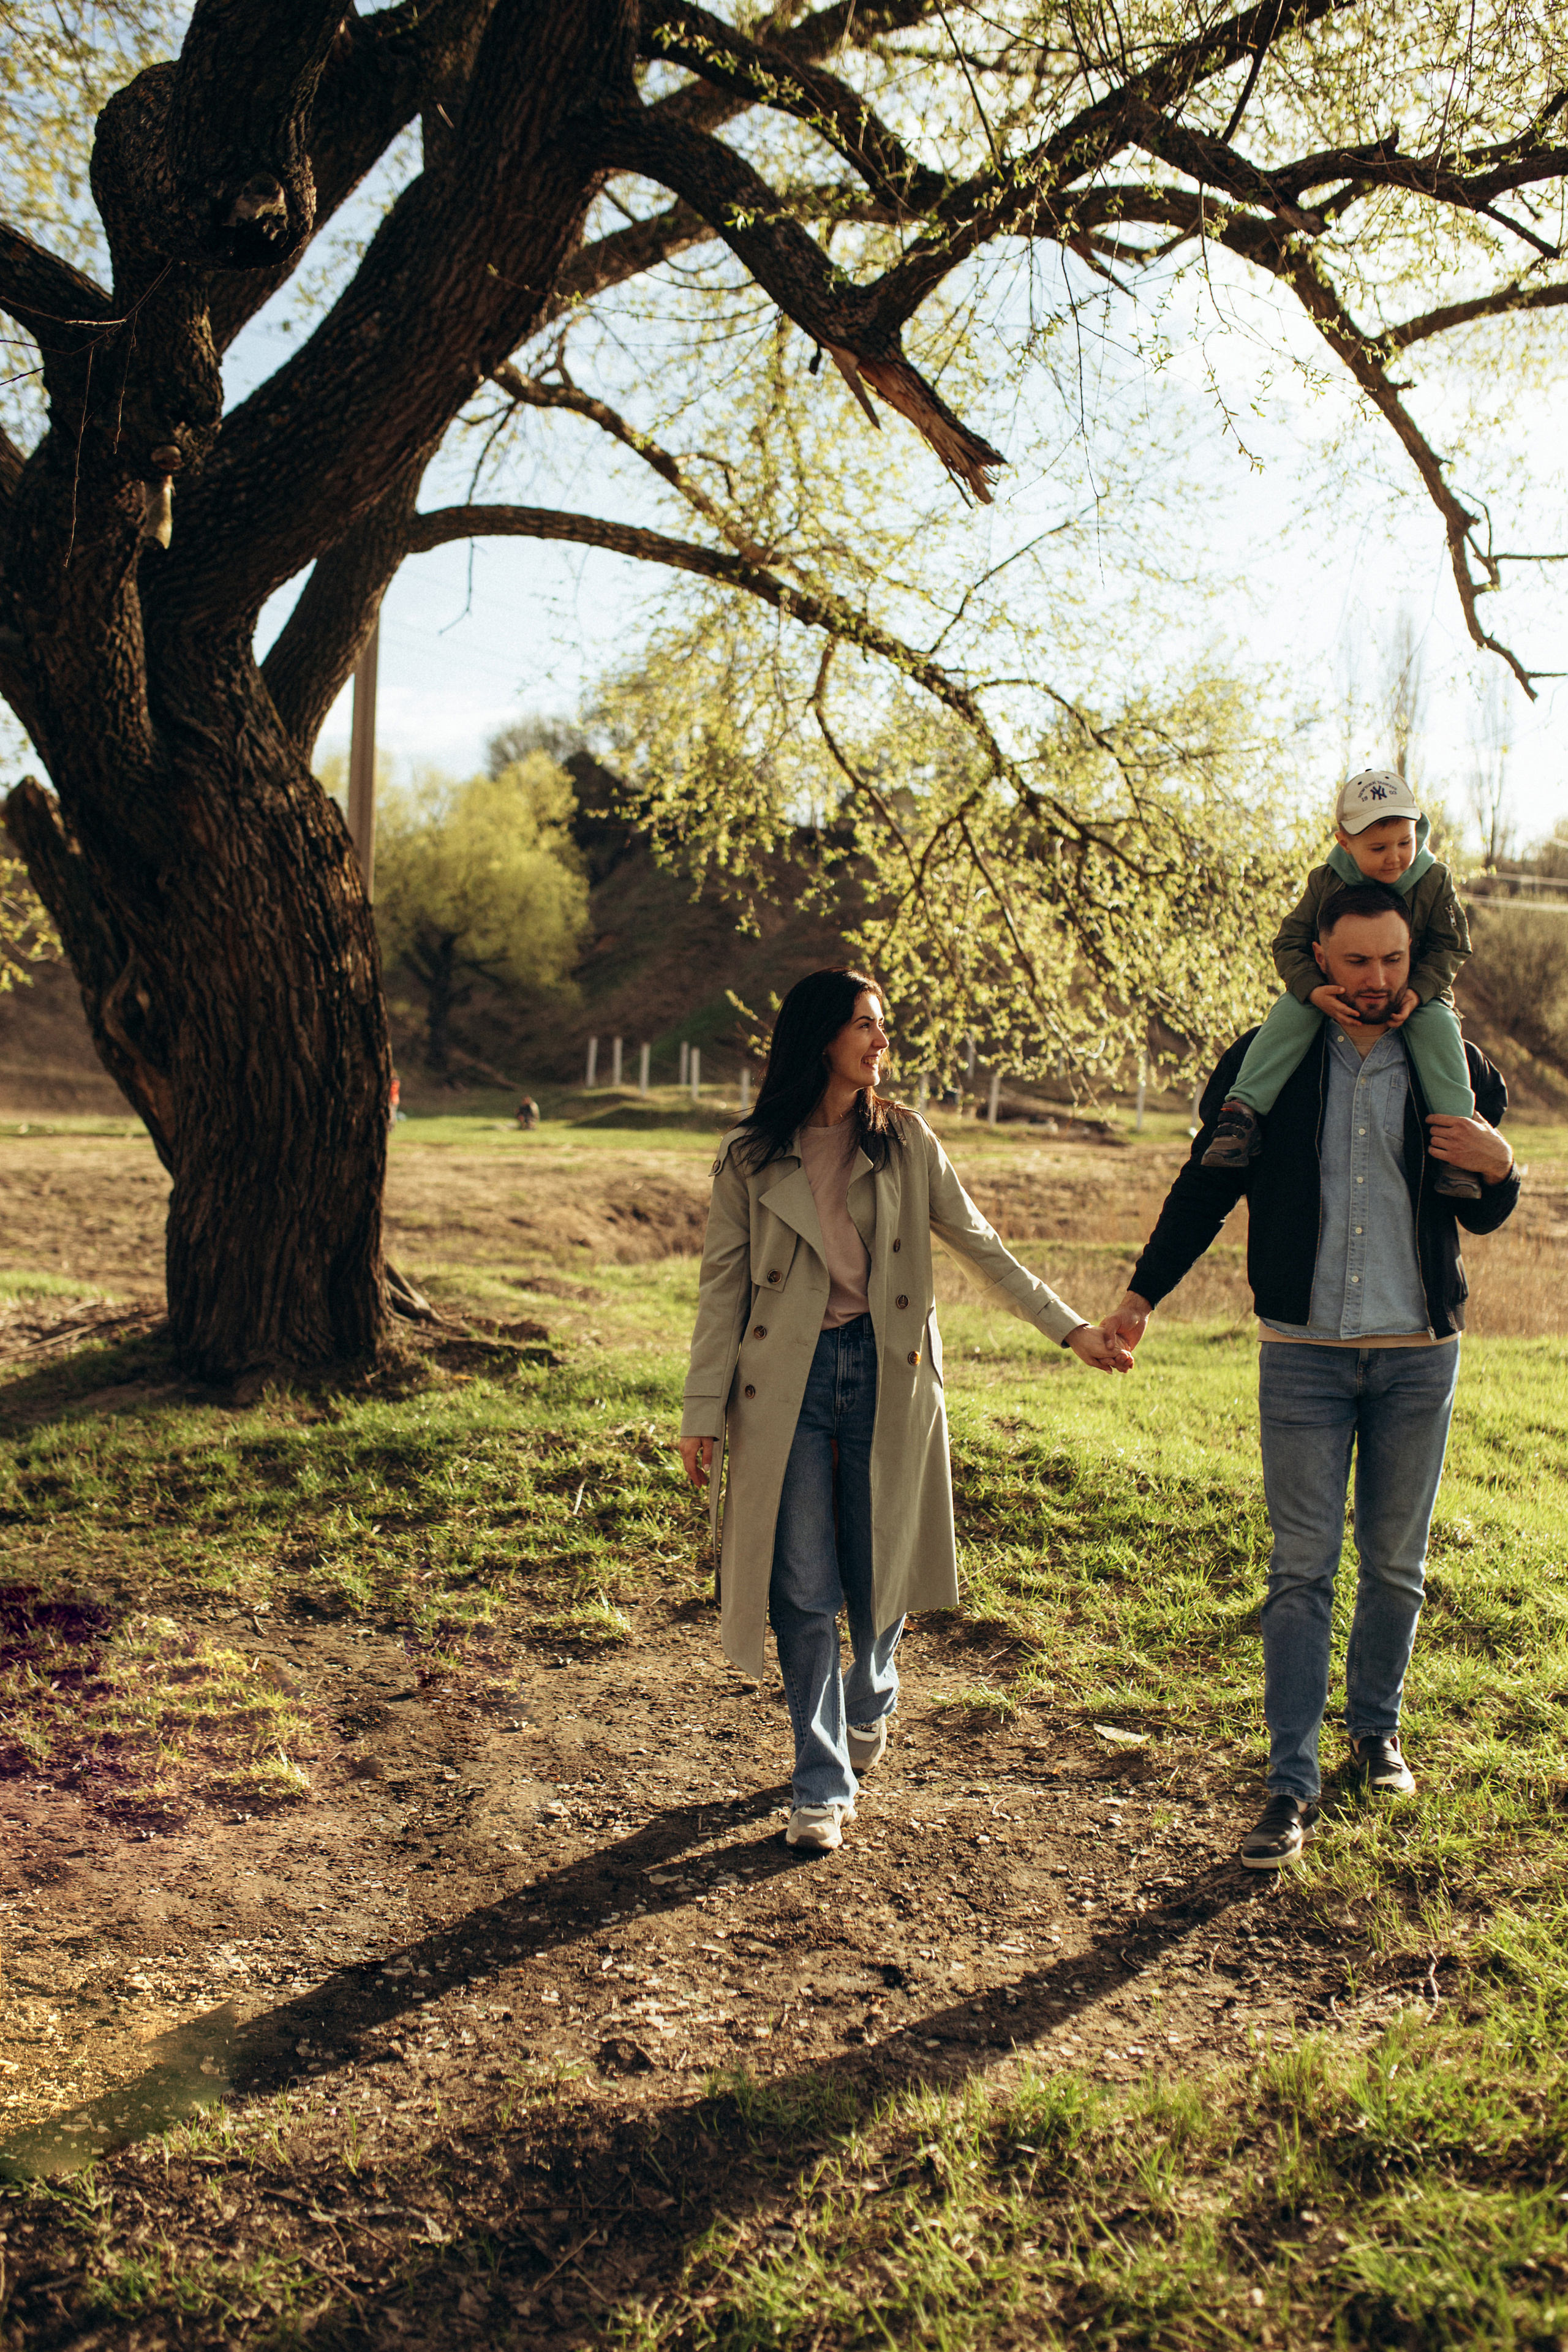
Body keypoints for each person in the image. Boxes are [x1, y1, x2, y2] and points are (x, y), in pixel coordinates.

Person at [1101, 883, 1519, 1871]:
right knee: (1300, 1572)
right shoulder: (1267, 1063)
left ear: (1413, 961)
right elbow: (1207, 1183)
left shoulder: (1450, 1063)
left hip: (1419, 1355)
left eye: (1393, 961)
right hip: (1302, 1355)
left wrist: (1506, 1167)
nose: (1377, 982)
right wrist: (1140, 1295)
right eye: (1358, 961)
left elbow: (1483, 1211)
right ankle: (1288, 1782)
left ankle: (1375, 1734)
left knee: (1394, 1564)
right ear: (1319, 960)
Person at [678, 968, 1128, 1853]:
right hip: (789, 1385)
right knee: (801, 1586)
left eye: (883, 1026)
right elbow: (722, 1288)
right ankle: (820, 1779)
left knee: (880, 1570)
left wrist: (1071, 1329)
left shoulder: (908, 1142)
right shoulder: (749, 1156)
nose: (883, 1042)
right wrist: (702, 1409)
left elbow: (983, 1249)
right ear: (821, 1039)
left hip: (888, 1375)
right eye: (865, 1027)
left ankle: (872, 1687)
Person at [1203, 769, 1480, 1197]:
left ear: (1419, 829)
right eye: (1378, 847)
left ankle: (1457, 1150)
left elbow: (1452, 946)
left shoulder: (1433, 879)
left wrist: (1421, 990)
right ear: (1344, 843)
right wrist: (1313, 988)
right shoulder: (1325, 881)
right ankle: (1241, 1113)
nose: (1395, 858)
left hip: (1415, 993)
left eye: (1406, 842)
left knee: (1440, 1029)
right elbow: (1290, 943)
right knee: (1290, 1015)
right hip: (1332, 991)